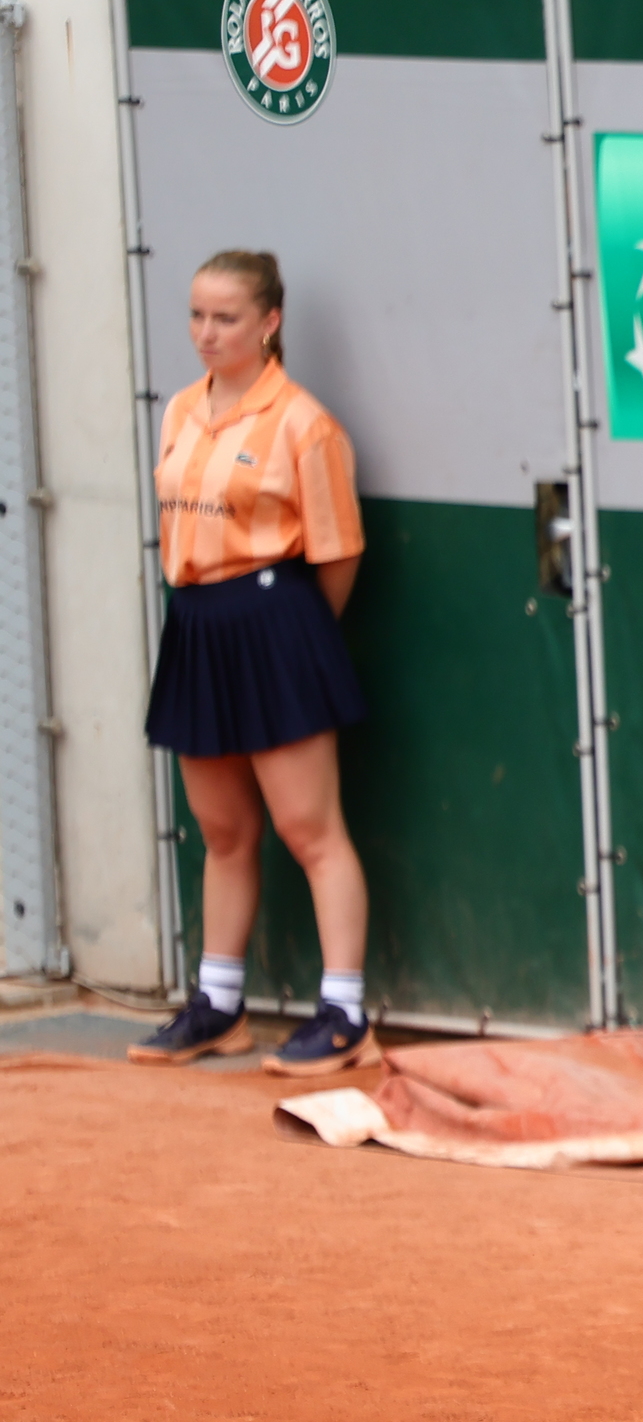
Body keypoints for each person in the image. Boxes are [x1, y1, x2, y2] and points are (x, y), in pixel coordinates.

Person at [130, 249, 379, 1076]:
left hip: (277, 620)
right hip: (197, 625)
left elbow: (337, 553)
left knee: (309, 829)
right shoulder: (177, 413)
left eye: (226, 318)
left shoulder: (304, 422)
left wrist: (293, 637)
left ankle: (345, 1013)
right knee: (223, 831)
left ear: (269, 323)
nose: (207, 333)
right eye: (197, 316)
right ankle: (219, 1008)